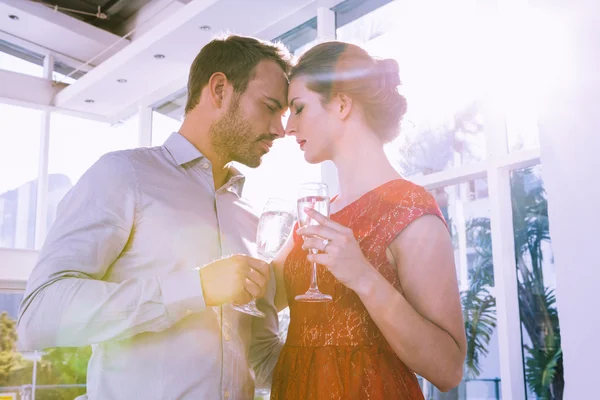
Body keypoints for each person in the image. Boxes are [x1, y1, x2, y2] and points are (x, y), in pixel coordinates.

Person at [17, 34, 291, 400]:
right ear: (220, 89)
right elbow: (39, 315)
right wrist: (195, 289)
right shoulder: (122, 175)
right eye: (270, 106)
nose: (280, 129)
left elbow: (261, 357)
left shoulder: (250, 217)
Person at [270, 41, 467, 399]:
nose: (287, 127)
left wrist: (362, 275)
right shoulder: (315, 217)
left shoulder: (410, 210)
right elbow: (262, 300)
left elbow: (448, 369)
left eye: (298, 108)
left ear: (342, 105)